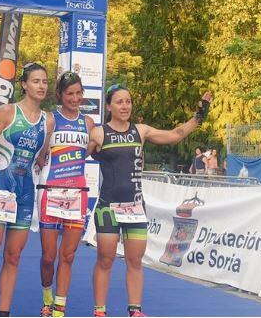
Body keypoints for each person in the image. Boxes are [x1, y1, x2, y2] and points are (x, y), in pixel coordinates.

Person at [87, 85, 212, 317]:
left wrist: (199, 115)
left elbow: (175, 135)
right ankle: (100, 311)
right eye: (119, 102)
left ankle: (135, 310)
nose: (125, 106)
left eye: (128, 101)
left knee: (135, 261)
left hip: (135, 207)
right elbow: (74, 156)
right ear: (109, 106)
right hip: (108, 208)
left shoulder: (141, 131)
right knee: (105, 259)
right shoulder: (98, 133)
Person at [0, 63, 52, 317]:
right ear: (25, 85)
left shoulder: (48, 120)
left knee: (14, 255)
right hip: (1, 187)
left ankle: (3, 312)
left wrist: (43, 159)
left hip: (26, 191)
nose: (41, 86)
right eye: (36, 81)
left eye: (45, 82)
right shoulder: (7, 112)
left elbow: (43, 152)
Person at [37, 71, 95, 317]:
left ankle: (59, 308)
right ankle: (47, 297)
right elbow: (40, 153)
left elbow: (90, 150)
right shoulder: (50, 119)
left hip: (77, 194)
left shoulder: (89, 123)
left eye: (78, 93)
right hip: (50, 191)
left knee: (68, 256)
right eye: (69, 94)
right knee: (49, 257)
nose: (74, 98)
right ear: (60, 95)